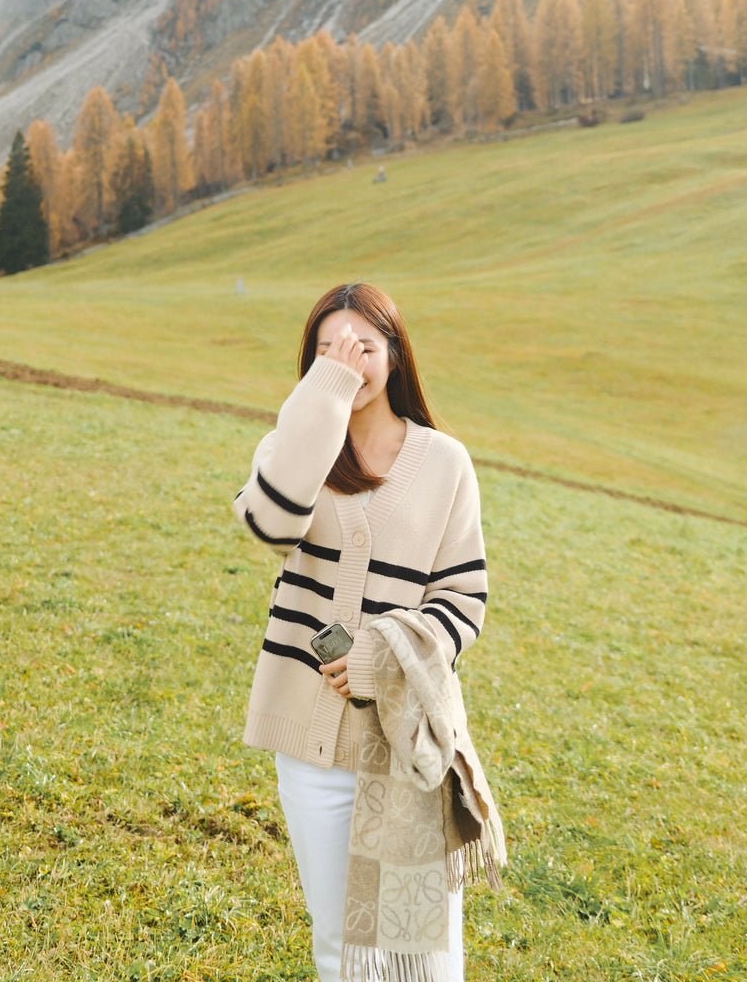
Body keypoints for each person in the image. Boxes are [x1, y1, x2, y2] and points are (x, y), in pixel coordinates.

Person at [233, 281, 491, 982]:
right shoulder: (292, 449)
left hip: (404, 741)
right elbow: (269, 523)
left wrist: (383, 657)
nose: (349, 360)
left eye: (364, 347)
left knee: (419, 951)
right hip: (313, 753)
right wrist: (324, 399)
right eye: (328, 350)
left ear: (397, 357)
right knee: (342, 950)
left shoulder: (445, 462)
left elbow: (464, 598)